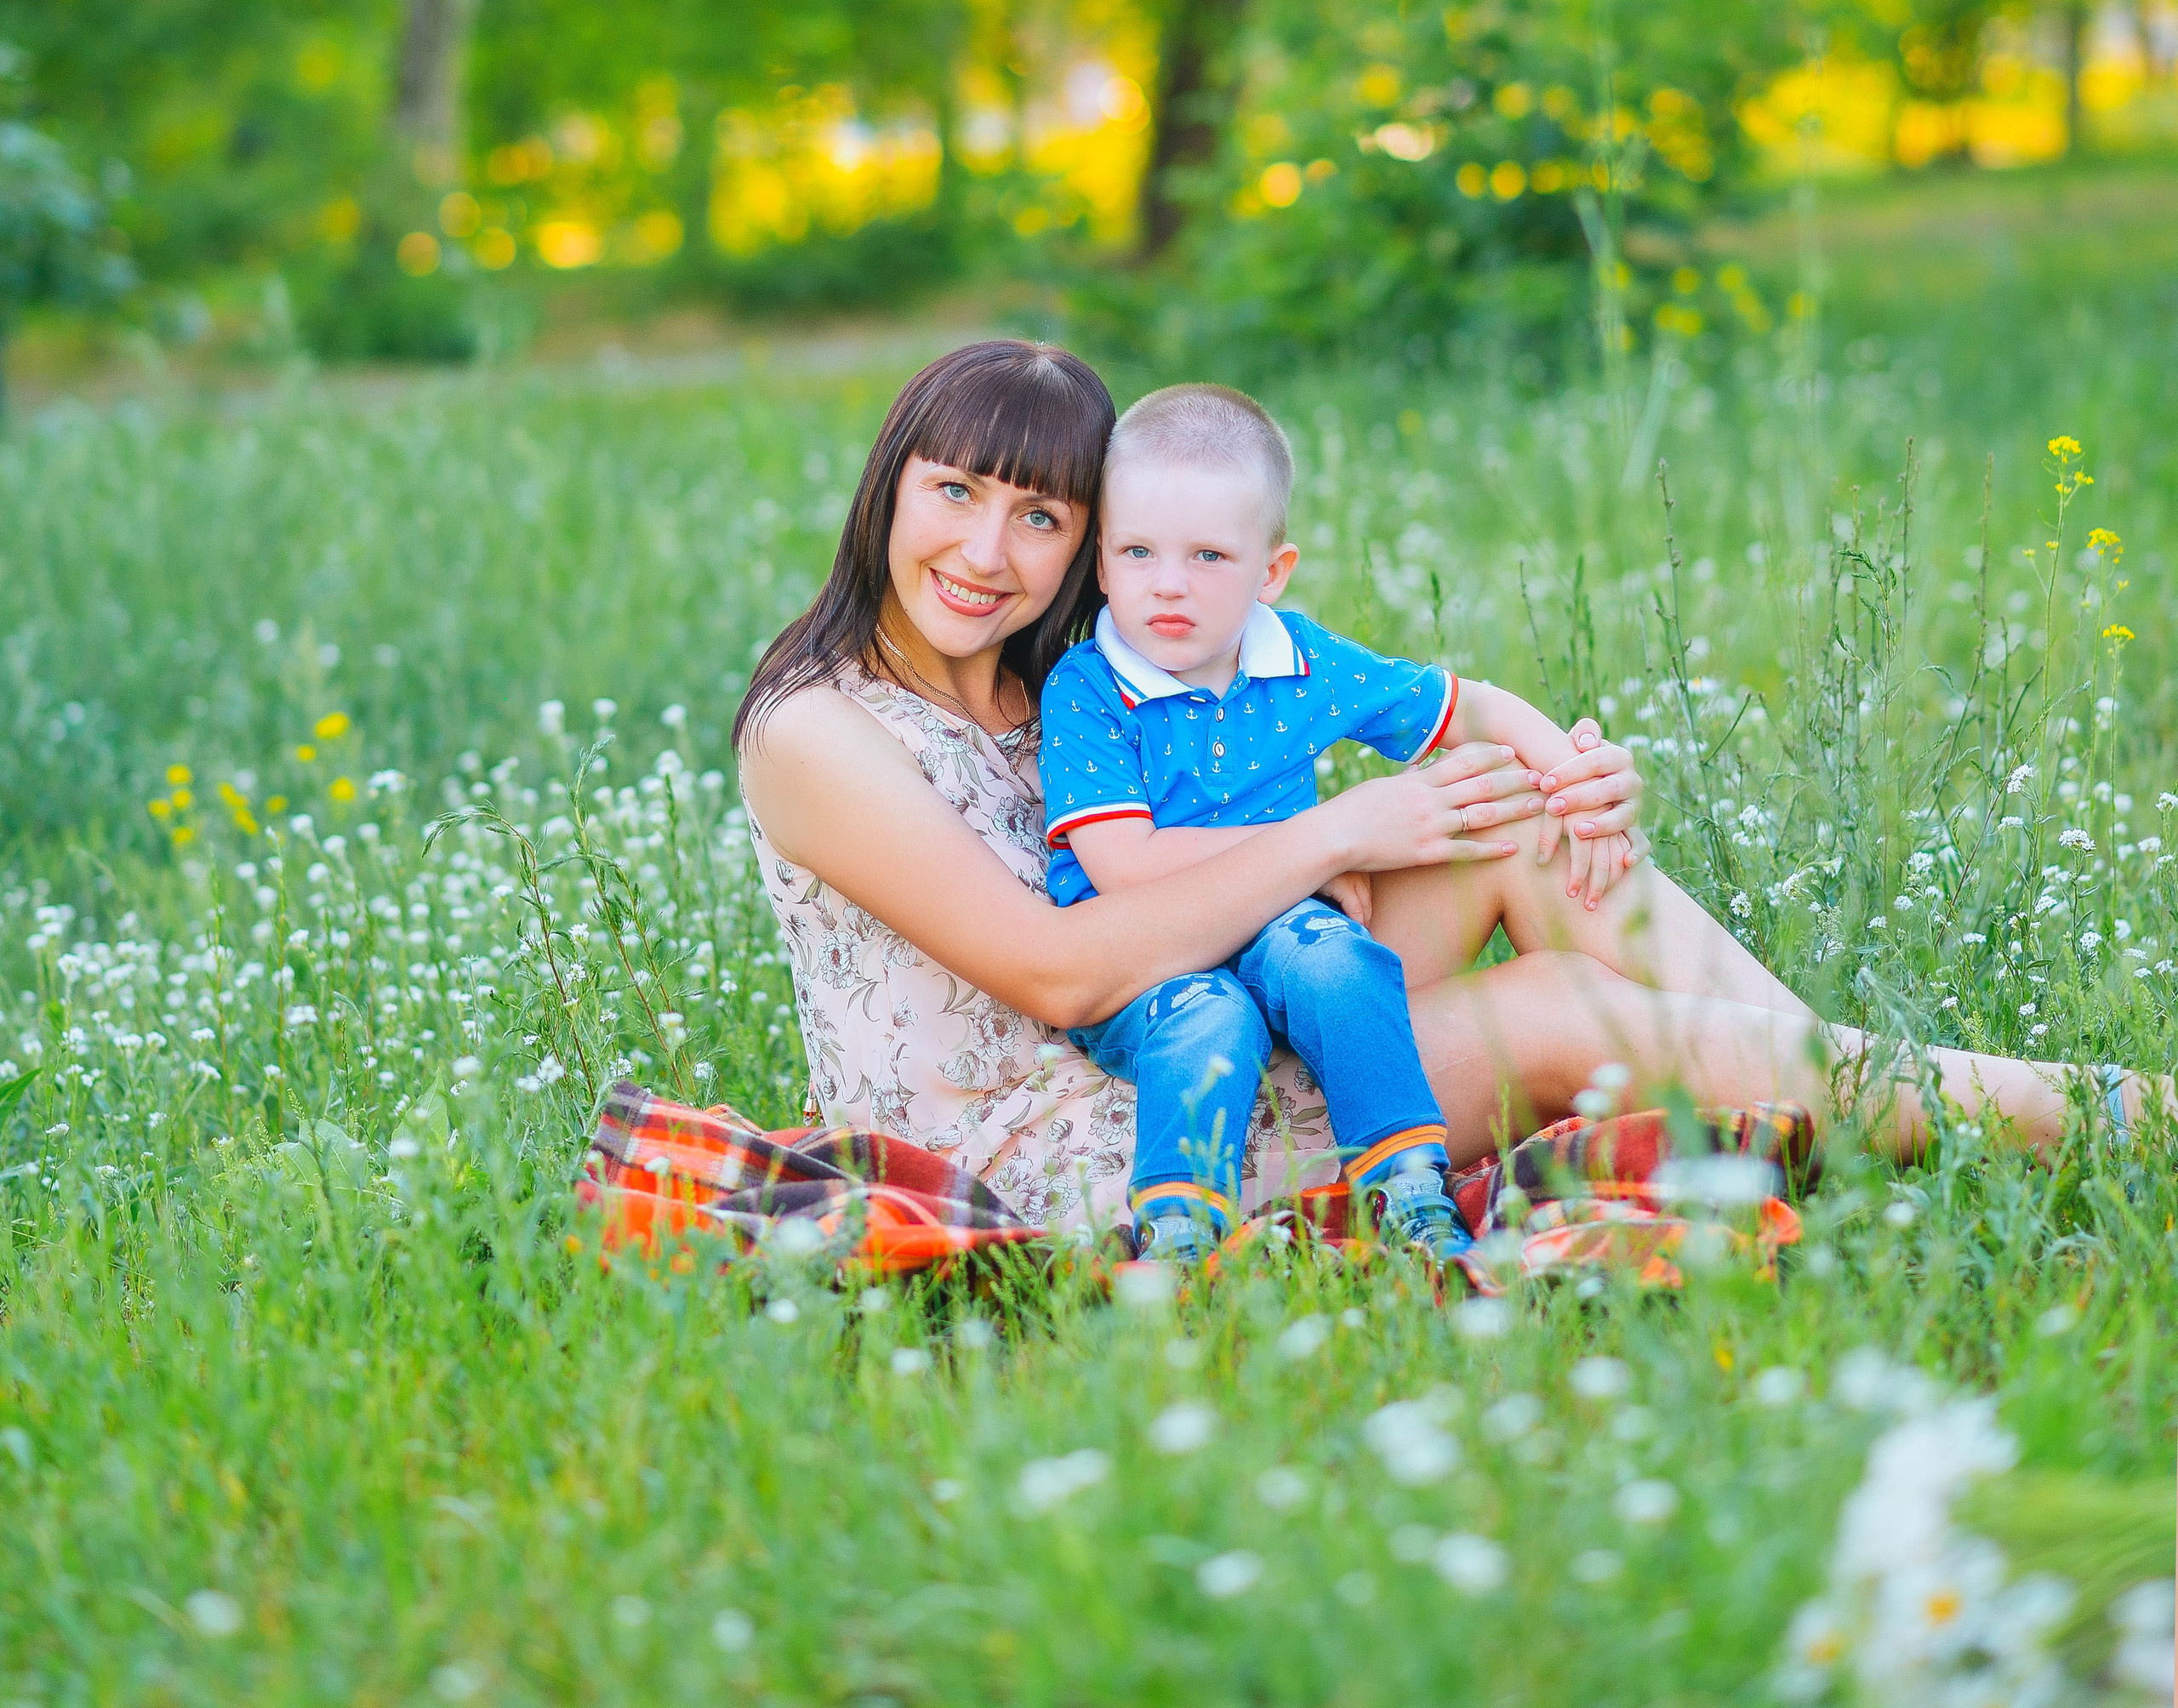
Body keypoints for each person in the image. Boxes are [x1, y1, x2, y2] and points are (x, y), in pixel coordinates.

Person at [733, 339, 2161, 1240]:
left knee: (1504, 808)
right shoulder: (819, 733)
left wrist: (1563, 767)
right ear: (887, 494)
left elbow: (1321, 737)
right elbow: (1051, 971)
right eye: (955, 494)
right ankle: (2106, 1116)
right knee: (1547, 1008)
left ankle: (1852, 1094)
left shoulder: (1064, 682)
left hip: (1231, 1008)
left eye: (1041, 516)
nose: (991, 548)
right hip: (1083, 1141)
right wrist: (1334, 838)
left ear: (1088, 545)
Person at [1041, 382, 1636, 1267]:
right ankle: (1178, 1234)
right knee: (1209, 1018)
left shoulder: (1298, 658)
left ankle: (1405, 1188)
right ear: (1100, 562)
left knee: (1339, 958)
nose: (1169, 584)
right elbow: (1124, 863)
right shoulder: (1088, 685)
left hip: (1282, 924)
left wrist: (1574, 773)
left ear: (1269, 572)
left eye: (1209, 555)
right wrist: (1325, 843)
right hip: (1144, 953)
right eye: (1137, 552)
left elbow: (1463, 705)